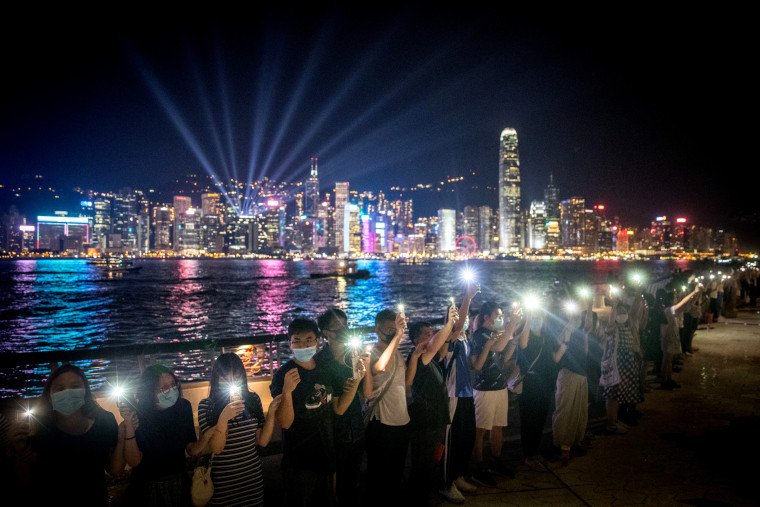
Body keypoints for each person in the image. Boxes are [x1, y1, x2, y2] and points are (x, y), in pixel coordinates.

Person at [270, 317, 361, 507]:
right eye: (297, 341)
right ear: (290, 344)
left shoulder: (326, 370)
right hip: (299, 462)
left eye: (309, 340)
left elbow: (339, 408)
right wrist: (287, 392)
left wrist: (357, 381)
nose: (304, 345)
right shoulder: (282, 376)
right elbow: (285, 423)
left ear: (318, 341)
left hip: (326, 454)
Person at [8, 364, 119, 506]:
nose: (68, 392)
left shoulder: (104, 421)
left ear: (85, 390)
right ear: (49, 395)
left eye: (75, 386)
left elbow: (114, 469)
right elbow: (26, 483)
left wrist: (125, 434)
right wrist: (18, 450)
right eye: (60, 389)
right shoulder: (36, 429)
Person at [116, 363, 213, 506]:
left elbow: (191, 449)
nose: (171, 390)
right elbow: (134, 461)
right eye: (163, 388)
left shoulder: (183, 407)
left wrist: (208, 435)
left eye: (173, 385)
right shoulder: (138, 413)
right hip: (147, 485)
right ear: (149, 392)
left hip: (179, 482)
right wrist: (129, 425)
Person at [198, 353, 281, 506]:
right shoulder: (206, 406)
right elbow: (217, 448)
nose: (232, 383)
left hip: (251, 478)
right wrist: (223, 418)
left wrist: (271, 413)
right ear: (217, 380)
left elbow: (262, 441)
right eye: (226, 379)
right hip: (222, 483)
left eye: (236, 378)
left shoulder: (252, 400)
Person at [316, 308, 370, 507]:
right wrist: (356, 380)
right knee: (335, 490)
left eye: (345, 325)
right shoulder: (321, 363)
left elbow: (367, 392)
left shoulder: (352, 357)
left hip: (356, 430)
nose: (343, 329)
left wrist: (365, 366)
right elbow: (337, 408)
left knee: (352, 486)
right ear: (325, 333)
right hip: (335, 436)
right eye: (337, 326)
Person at [405, 306, 458, 505]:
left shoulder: (431, 358)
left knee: (430, 462)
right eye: (426, 335)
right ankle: (417, 499)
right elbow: (436, 345)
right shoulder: (416, 358)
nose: (431, 337)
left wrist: (453, 324)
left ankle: (422, 496)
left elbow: (443, 343)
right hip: (425, 422)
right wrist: (449, 322)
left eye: (431, 333)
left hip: (435, 420)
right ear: (415, 341)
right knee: (422, 465)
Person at [470, 301, 519, 486]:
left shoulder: (494, 334)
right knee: (480, 431)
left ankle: (496, 462)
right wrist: (512, 324)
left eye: (501, 316)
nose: (501, 319)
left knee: (498, 426)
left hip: (500, 386)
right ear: (486, 318)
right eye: (497, 316)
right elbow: (497, 348)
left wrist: (512, 339)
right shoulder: (480, 335)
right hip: (485, 389)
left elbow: (502, 356)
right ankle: (479, 468)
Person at [365, 308, 410, 506]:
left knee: (396, 472)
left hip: (402, 421)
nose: (393, 331)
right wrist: (397, 337)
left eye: (396, 328)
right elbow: (379, 367)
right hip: (382, 423)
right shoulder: (373, 352)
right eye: (389, 329)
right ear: (377, 329)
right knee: (379, 475)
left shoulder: (398, 352)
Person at [440, 283, 480, 501]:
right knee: (452, 439)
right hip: (453, 394)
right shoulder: (449, 339)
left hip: (467, 394)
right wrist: (467, 297)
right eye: (454, 316)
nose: (463, 320)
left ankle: (458, 475)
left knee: (467, 437)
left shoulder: (464, 339)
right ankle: (445, 483)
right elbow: (458, 325)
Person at [515, 296, 559, 471]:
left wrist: (545, 308)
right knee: (529, 421)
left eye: (539, 318)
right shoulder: (526, 336)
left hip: (545, 383)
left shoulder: (546, 337)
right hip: (530, 384)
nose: (538, 321)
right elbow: (523, 343)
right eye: (535, 318)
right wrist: (528, 317)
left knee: (540, 419)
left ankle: (535, 452)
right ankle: (529, 455)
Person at [551, 299, 592, 460]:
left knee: (580, 411)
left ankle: (575, 442)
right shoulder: (563, 330)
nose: (576, 317)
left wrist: (588, 305)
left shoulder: (582, 331)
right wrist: (568, 325)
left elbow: (586, 350)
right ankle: (561, 444)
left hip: (581, 374)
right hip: (568, 373)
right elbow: (558, 348)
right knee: (565, 411)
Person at [600, 301, 643, 434]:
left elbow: (634, 312)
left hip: (625, 367)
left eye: (624, 312)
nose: (622, 315)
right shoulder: (612, 329)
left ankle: (615, 421)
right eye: (619, 313)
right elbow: (611, 322)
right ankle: (610, 424)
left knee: (618, 396)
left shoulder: (628, 328)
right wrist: (614, 306)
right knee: (612, 395)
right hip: (616, 367)